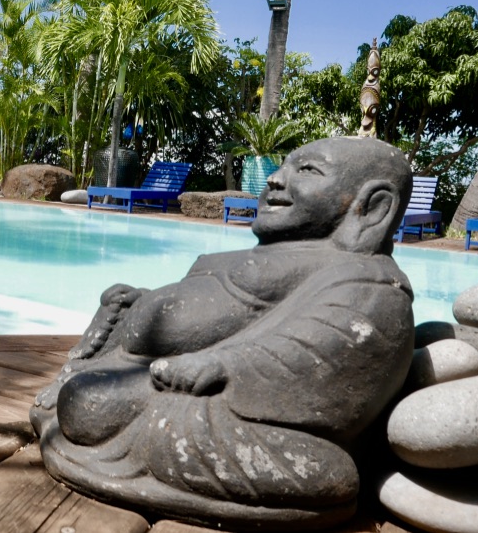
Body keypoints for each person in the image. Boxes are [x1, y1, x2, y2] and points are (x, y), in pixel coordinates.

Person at [32, 137, 416, 529]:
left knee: (92, 405)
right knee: (89, 398)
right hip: (149, 373)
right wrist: (143, 304)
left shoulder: (369, 279)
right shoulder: (288, 252)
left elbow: (326, 347)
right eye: (284, 165)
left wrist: (222, 365)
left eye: (307, 171)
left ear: (373, 207)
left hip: (212, 406)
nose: (275, 179)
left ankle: (127, 449)